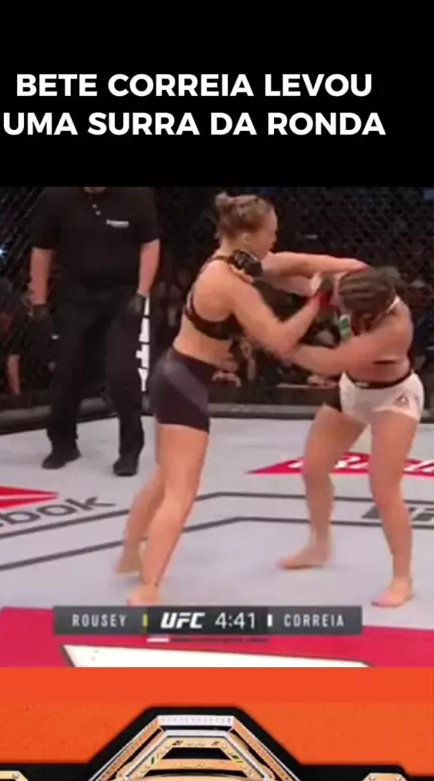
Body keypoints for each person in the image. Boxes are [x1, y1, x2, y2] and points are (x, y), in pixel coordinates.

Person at [115, 192, 366, 605]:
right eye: (271, 232)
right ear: (248, 236)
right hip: (182, 384)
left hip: (175, 375)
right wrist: (318, 300)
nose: (275, 239)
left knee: (164, 479)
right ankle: (149, 587)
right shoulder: (227, 282)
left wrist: (351, 268)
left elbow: (297, 261)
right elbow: (279, 340)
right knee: (180, 491)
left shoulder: (235, 260)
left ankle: (130, 555)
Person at [280, 266, 424, 608]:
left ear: (369, 311)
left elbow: (331, 362)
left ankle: (402, 578)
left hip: (394, 397)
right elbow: (299, 282)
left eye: (343, 307)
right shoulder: (353, 286)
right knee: (313, 469)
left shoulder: (394, 327)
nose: (339, 308)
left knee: (384, 488)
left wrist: (283, 345)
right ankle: (319, 545)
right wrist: (259, 275)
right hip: (352, 390)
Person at [29, 187, 160, 475]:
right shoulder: (56, 197)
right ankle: (63, 444)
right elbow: (42, 249)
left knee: (122, 373)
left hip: (122, 295)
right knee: (67, 371)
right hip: (75, 295)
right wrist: (39, 303)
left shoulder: (136, 195)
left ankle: (130, 450)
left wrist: (141, 292)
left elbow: (150, 244)